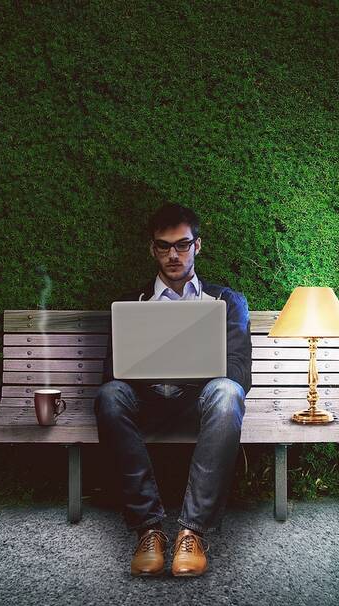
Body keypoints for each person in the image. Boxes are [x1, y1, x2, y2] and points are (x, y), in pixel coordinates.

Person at [94, 202, 252, 577]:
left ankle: (191, 532)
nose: (172, 254)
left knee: (228, 394)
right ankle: (148, 530)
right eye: (163, 246)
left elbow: (239, 371)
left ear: (198, 245)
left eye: (182, 245)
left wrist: (193, 368)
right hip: (146, 398)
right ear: (152, 249)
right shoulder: (133, 303)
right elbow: (111, 372)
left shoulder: (227, 302)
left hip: (199, 401)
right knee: (109, 397)